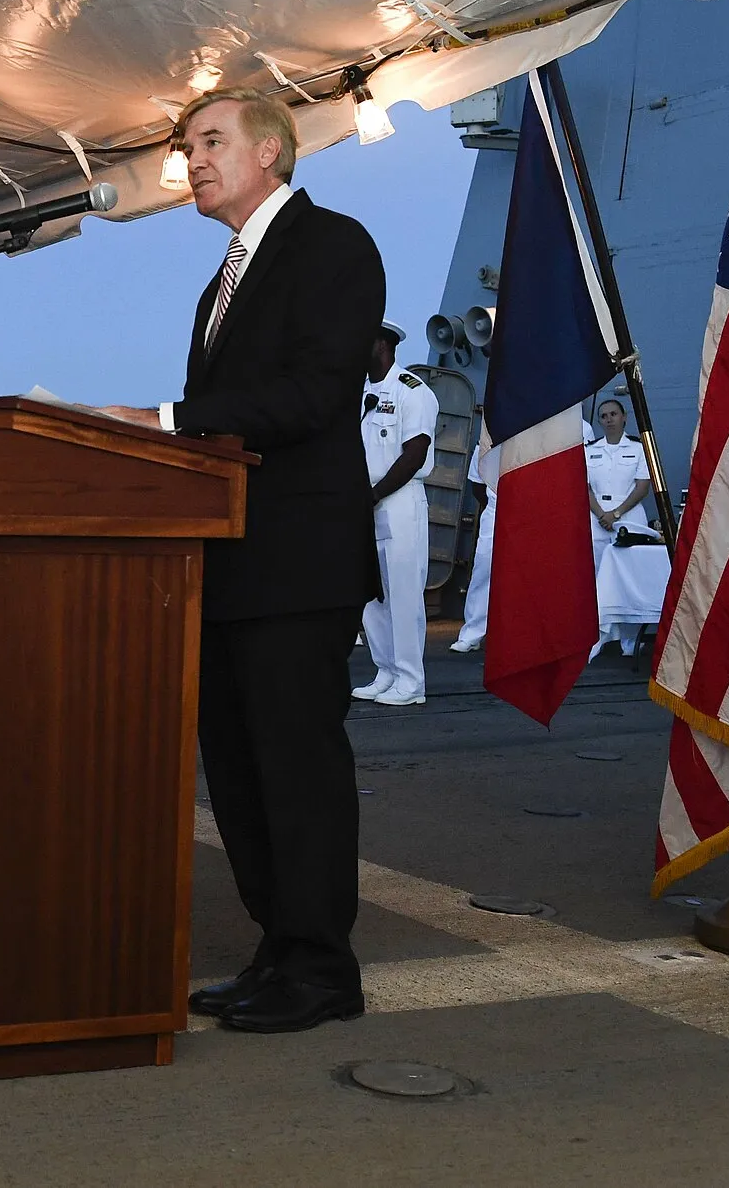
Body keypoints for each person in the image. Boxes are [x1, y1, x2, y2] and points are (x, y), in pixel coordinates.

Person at [107, 86, 383, 1034]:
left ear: (270, 149)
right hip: (228, 560)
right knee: (238, 767)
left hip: (298, 561)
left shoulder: (333, 247)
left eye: (210, 142)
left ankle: (323, 969)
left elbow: (313, 394)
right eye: (187, 147)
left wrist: (169, 420)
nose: (193, 161)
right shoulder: (215, 284)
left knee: (294, 764)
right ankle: (278, 946)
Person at [353, 322, 437, 706]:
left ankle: (411, 680)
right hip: (363, 503)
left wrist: (373, 495)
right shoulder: (359, 392)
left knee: (402, 593)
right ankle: (385, 669)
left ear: (384, 344)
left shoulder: (412, 391)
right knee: (371, 595)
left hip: (399, 501)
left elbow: (414, 454)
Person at [586, 396, 651, 577]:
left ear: (624, 417)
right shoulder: (589, 450)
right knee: (596, 572)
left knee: (631, 572)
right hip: (596, 518)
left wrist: (615, 515)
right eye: (604, 416)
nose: (609, 419)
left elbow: (642, 488)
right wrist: (602, 515)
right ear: (599, 421)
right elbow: (586, 488)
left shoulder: (639, 448)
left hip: (628, 516)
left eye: (613, 414)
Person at [450, 441, 499, 654]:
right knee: (483, 573)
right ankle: (472, 634)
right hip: (496, 510)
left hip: (529, 512)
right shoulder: (486, 444)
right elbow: (477, 487)